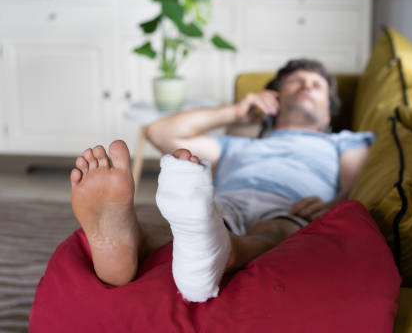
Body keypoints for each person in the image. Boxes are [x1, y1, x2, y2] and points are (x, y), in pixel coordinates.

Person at [69, 59, 375, 302]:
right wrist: (235, 111)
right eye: (296, 82)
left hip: (291, 206)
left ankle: (217, 250)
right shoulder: (237, 144)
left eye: (316, 85)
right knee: (196, 222)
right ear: (275, 99)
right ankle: (129, 238)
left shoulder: (343, 141)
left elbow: (357, 182)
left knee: (273, 231)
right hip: (225, 202)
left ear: (327, 115)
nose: (306, 86)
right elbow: (159, 133)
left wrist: (330, 207)